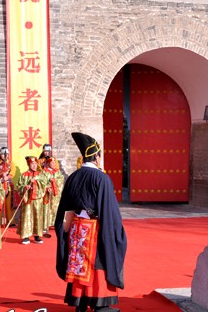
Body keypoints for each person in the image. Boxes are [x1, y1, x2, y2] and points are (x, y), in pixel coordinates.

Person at [55, 132, 127, 312]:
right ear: (96, 156)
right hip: (94, 229)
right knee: (98, 263)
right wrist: (115, 233)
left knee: (78, 262)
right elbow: (109, 211)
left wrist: (65, 230)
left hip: (76, 227)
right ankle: (99, 303)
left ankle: (80, 301)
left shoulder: (73, 177)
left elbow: (64, 208)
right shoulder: (101, 178)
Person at [17, 156, 46, 244]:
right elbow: (19, 186)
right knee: (27, 216)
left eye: (35, 164)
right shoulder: (23, 175)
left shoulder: (40, 174)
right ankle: (26, 236)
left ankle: (37, 235)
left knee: (37, 216)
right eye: (32, 164)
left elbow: (44, 184)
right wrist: (25, 187)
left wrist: (36, 182)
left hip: (37, 199)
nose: (34, 166)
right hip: (27, 199)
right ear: (28, 165)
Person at [40, 156, 64, 236]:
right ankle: (45, 226)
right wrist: (47, 187)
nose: (53, 164)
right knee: (46, 209)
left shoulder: (57, 172)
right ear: (48, 163)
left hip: (55, 194)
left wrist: (54, 181)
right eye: (51, 163)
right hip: (47, 193)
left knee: (56, 208)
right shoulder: (44, 172)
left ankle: (55, 223)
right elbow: (41, 181)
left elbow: (61, 180)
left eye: (54, 163)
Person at [0, 147, 17, 227]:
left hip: (8, 184)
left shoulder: (11, 163)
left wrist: (8, 176)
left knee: (9, 204)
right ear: (0, 154)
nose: (5, 156)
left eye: (6, 154)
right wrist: (1, 174)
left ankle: (10, 221)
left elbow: (13, 171)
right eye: (3, 154)